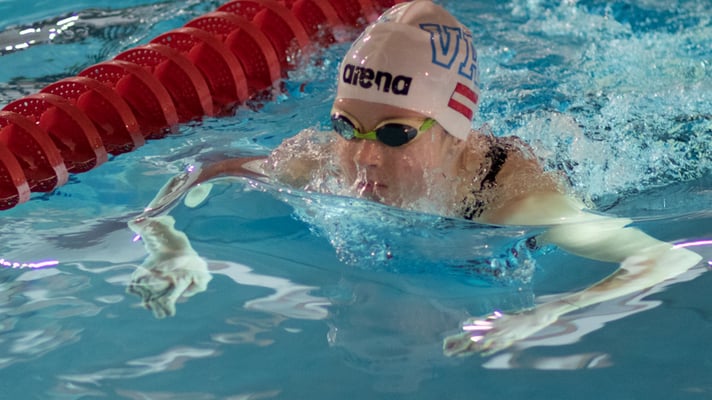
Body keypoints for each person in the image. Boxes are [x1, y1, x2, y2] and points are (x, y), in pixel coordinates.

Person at [128, 0, 702, 356]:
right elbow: (203, 169)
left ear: (455, 134)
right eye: (346, 125)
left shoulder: (516, 201)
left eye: (395, 134)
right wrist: (169, 244)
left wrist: (547, 314)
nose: (364, 157)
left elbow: (665, 261)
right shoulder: (323, 161)